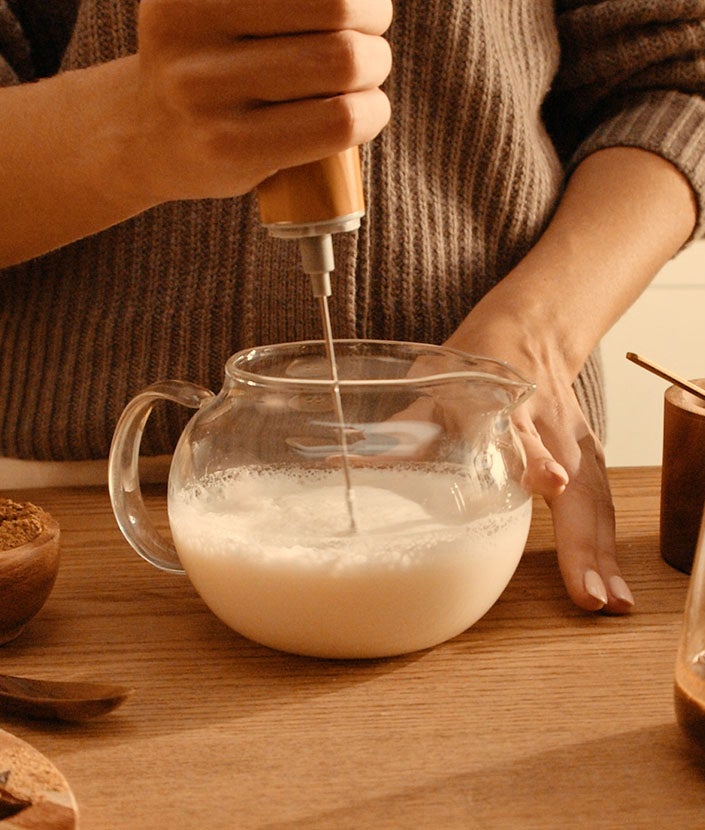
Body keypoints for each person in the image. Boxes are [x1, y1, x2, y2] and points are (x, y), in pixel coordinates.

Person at [0, 1, 703, 615]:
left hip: (495, 485)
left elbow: (681, 78)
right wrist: (140, 122)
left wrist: (536, 334)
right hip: (57, 533)